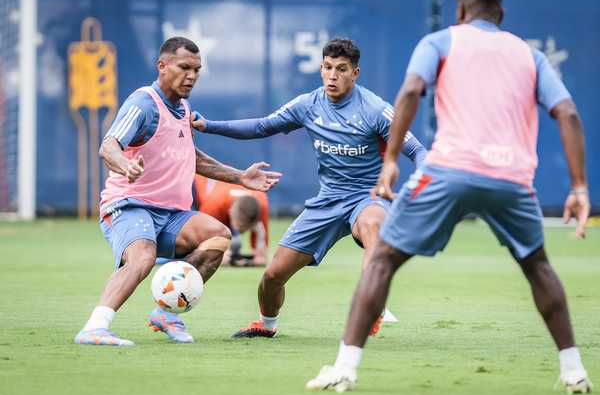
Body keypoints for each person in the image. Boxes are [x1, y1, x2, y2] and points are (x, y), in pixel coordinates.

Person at [306, 0, 592, 394]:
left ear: (459, 8)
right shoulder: (528, 54)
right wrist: (580, 187)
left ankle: (345, 367)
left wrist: (389, 161)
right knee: (537, 267)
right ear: (501, 11)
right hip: (511, 179)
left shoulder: (440, 40)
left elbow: (409, 92)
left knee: (382, 260)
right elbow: (567, 113)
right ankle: (574, 371)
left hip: (448, 171)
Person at [193, 38, 427, 338]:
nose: (333, 76)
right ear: (320, 68)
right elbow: (263, 126)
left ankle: (372, 304)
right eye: (328, 68)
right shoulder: (308, 104)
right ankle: (266, 325)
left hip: (366, 197)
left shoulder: (376, 109)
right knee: (273, 276)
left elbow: (419, 151)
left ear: (355, 73)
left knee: (374, 228)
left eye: (341, 69)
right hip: (327, 202)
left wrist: (420, 184)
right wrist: (209, 125)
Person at [74, 36, 281, 346]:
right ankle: (95, 327)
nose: (192, 76)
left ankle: (166, 314)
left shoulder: (182, 108)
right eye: (185, 67)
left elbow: (192, 157)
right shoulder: (144, 103)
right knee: (142, 258)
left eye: (197, 69)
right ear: (162, 66)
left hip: (171, 214)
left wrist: (240, 177)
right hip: (130, 205)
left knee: (218, 236)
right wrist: (124, 165)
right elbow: (109, 146)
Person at [194, 175, 270, 266]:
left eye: (247, 228)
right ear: (230, 213)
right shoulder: (214, 205)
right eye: (240, 227)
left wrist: (260, 235)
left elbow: (261, 259)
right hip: (196, 185)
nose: (242, 232)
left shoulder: (261, 204)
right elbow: (202, 249)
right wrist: (219, 254)